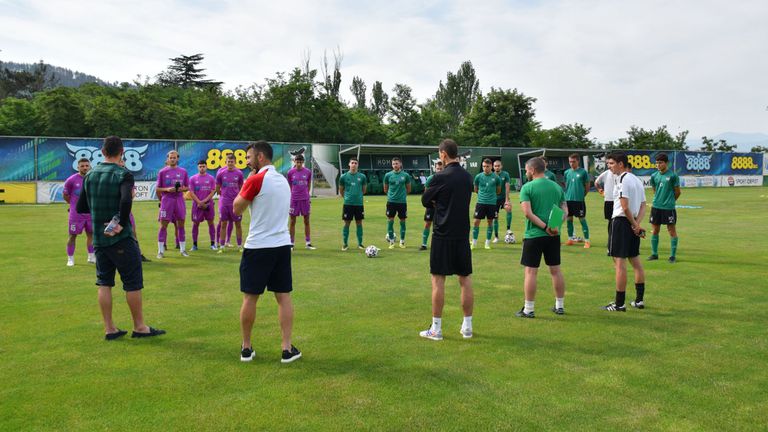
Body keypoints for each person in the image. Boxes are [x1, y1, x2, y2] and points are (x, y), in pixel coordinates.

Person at [76, 136, 165, 340]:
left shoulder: (89, 175)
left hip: (99, 238)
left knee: (104, 282)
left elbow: (81, 207)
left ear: (102, 151)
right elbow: (126, 200)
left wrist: (99, 207)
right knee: (132, 283)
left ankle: (109, 328)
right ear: (122, 151)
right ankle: (140, 327)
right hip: (120, 238)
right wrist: (121, 223)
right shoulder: (122, 174)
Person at [233, 141, 301, 363]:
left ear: (261, 157)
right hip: (281, 246)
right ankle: (287, 348)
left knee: (250, 297)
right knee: (283, 297)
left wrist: (244, 187)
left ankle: (246, 347)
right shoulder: (283, 180)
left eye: (249, 158)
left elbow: (236, 208)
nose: (247, 162)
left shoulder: (255, 179)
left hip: (258, 247)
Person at [419, 139, 474, 341]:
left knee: (438, 280)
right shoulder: (468, 178)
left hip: (442, 234)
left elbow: (426, 200)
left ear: (443, 154)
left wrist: (438, 199)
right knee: (465, 279)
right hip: (462, 234)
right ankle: (467, 326)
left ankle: (436, 329)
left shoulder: (438, 178)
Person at [513, 157, 568, 318]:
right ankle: (560, 305)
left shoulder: (527, 187)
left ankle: (528, 309)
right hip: (553, 235)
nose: (526, 172)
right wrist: (554, 226)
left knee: (531, 272)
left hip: (534, 235)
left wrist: (544, 227)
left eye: (527, 170)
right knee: (555, 270)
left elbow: (528, 213)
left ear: (532, 170)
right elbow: (565, 209)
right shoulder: (556, 187)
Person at [604, 152, 647, 312]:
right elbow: (643, 205)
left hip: (622, 223)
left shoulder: (622, 179)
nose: (609, 167)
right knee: (635, 262)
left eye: (611, 163)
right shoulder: (637, 180)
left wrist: (634, 224)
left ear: (621, 164)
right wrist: (637, 224)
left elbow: (625, 206)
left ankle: (619, 303)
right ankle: (639, 300)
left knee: (619, 264)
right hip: (632, 222)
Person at [648, 153, 681, 263]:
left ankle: (672, 256)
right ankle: (654, 254)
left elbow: (677, 192)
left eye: (660, 162)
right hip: (656, 207)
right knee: (655, 231)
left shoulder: (673, 176)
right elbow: (655, 190)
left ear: (666, 163)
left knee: (671, 231)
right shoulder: (654, 176)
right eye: (656, 163)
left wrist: (670, 201)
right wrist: (659, 199)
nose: (658, 165)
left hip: (668, 208)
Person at [156, 150, 189, 258]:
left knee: (181, 225)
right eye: (171, 157)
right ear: (168, 159)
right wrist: (167, 189)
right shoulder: (162, 172)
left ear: (177, 158)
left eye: (174, 157)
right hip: (167, 200)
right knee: (163, 226)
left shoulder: (183, 171)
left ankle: (183, 250)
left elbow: (187, 187)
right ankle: (160, 251)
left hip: (179, 200)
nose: (172, 159)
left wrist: (183, 189)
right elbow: (158, 188)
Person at [63, 158, 95, 266]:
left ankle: (91, 256)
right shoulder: (71, 180)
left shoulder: (93, 179)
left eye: (87, 165)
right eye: (82, 166)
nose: (85, 167)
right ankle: (70, 259)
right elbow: (66, 195)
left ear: (89, 166)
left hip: (91, 213)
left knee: (91, 234)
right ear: (78, 167)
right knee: (72, 235)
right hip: (76, 215)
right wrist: (73, 205)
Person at [216, 153, 245, 253]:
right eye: (228, 162)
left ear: (235, 162)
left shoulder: (239, 173)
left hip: (236, 203)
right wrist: (224, 196)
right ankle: (222, 246)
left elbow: (242, 188)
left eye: (232, 162)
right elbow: (217, 188)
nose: (230, 163)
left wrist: (239, 198)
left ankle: (239, 245)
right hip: (224, 203)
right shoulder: (221, 173)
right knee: (223, 223)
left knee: (238, 224)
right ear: (226, 162)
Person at [471, 158, 501, 250]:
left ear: (491, 166)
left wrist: (490, 196)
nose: (485, 168)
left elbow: (498, 190)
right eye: (484, 166)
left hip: (492, 203)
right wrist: (483, 195)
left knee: (490, 222)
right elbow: (475, 189)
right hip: (481, 203)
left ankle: (487, 243)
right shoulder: (478, 177)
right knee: (476, 222)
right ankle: (474, 242)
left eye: (487, 166)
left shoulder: (496, 177)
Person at [286, 154, 315, 250]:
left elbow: (308, 184)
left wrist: (307, 195)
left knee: (306, 221)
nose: (298, 164)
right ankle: (291, 243)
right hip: (294, 200)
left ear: (303, 162)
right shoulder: (290, 172)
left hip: (305, 200)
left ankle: (308, 243)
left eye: (300, 162)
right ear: (294, 162)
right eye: (297, 162)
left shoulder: (307, 172)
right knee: (292, 221)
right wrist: (293, 195)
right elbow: (290, 185)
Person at [338, 157, 367, 251]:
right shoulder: (344, 176)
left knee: (359, 223)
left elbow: (364, 190)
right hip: (348, 204)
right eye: (352, 163)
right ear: (349, 164)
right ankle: (345, 244)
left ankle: (360, 244)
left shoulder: (362, 177)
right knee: (347, 223)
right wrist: (346, 197)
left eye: (355, 163)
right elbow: (341, 190)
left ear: (358, 165)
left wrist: (358, 196)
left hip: (359, 204)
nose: (354, 164)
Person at [383, 157, 412, 249]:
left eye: (397, 163)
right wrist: (392, 196)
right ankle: (391, 242)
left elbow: (409, 189)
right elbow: (385, 189)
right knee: (390, 221)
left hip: (402, 202)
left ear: (400, 164)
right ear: (392, 165)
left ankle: (402, 242)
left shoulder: (406, 175)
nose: (395, 165)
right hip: (391, 202)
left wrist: (402, 196)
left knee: (402, 222)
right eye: (393, 164)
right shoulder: (388, 175)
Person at [563, 153, 591, 248]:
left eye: (573, 161)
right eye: (570, 161)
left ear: (578, 161)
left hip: (579, 200)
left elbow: (587, 186)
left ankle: (587, 241)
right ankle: (570, 239)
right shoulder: (567, 172)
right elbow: (567, 185)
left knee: (582, 219)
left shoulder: (583, 172)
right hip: (568, 200)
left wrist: (582, 195)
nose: (571, 163)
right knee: (569, 220)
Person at [189, 159, 217, 251]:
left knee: (211, 223)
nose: (202, 168)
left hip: (208, 205)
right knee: (195, 224)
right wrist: (199, 202)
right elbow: (191, 192)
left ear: (206, 167)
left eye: (203, 166)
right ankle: (194, 245)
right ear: (198, 167)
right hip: (197, 206)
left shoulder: (211, 178)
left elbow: (213, 191)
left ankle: (213, 244)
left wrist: (204, 201)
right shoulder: (193, 178)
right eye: (200, 166)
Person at [420, 161, 443, 250]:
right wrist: (432, 202)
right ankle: (424, 244)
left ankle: (438, 245)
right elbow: (426, 193)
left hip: (442, 206)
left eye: (441, 169)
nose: (439, 170)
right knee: (427, 224)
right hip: (431, 206)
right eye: (438, 169)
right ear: (435, 169)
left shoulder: (447, 179)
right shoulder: (430, 178)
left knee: (440, 226)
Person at [595, 165, 617, 253]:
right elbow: (596, 182)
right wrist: (600, 190)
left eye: (611, 163)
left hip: (618, 201)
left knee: (617, 221)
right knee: (610, 222)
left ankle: (614, 242)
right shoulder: (606, 174)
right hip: (608, 201)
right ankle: (610, 241)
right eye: (608, 163)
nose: (610, 165)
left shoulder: (619, 174)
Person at [492, 159, 513, 243]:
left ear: (501, 166)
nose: (497, 167)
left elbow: (507, 186)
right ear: (493, 167)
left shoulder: (505, 174)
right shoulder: (491, 175)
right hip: (494, 200)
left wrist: (507, 200)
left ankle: (508, 229)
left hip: (503, 198)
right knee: (495, 218)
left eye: (498, 165)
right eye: (495, 166)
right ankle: (496, 237)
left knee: (509, 208)